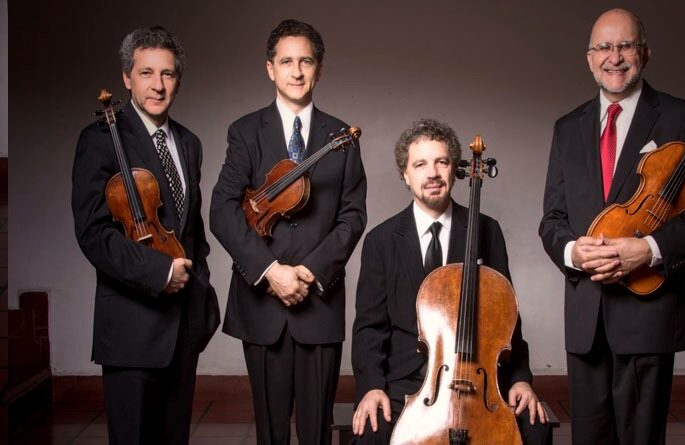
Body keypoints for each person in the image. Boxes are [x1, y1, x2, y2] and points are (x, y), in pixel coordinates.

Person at [538, 8, 685, 445]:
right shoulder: (567, 127)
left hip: (648, 311)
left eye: (625, 45)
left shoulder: (680, 116)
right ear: (589, 58)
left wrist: (651, 250)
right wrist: (572, 253)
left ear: (645, 53)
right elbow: (552, 220)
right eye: (604, 47)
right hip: (586, 317)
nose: (615, 57)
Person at [209, 19, 367, 445]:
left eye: (306, 62)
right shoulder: (245, 132)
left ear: (319, 69)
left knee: (317, 432)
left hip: (319, 302)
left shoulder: (342, 137)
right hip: (262, 303)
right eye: (286, 62)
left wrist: (310, 271)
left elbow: (353, 216)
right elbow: (222, 211)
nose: (296, 72)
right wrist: (270, 270)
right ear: (270, 68)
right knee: (270, 432)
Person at [351, 118, 552, 444]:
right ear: (405, 174)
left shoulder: (487, 231)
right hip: (405, 383)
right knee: (370, 435)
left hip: (480, 381)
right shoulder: (381, 241)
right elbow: (369, 328)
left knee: (535, 429)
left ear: (455, 169)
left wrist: (520, 380)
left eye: (441, 162)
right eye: (420, 164)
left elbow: (507, 320)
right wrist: (372, 387)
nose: (432, 173)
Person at [71, 26, 220, 445]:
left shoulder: (188, 143)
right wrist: (159, 272)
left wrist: (201, 292)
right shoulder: (100, 139)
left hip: (182, 328)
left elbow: (191, 231)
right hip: (131, 327)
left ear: (178, 80)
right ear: (127, 77)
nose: (158, 85)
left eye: (167, 74)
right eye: (146, 73)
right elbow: (93, 234)